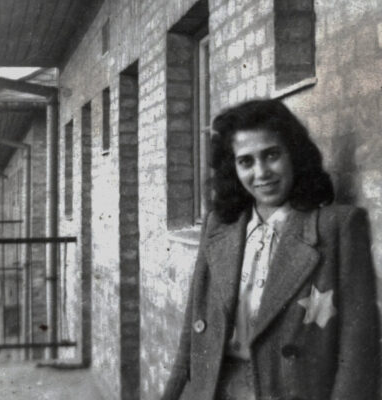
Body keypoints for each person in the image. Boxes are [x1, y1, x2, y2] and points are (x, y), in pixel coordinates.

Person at [161, 99, 380, 400]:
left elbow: (358, 351)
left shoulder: (338, 227)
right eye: (246, 162)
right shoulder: (218, 226)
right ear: (233, 169)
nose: (262, 172)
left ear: (294, 155)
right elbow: (191, 334)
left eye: (272, 155)